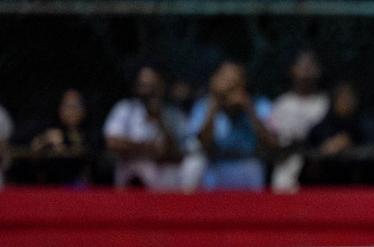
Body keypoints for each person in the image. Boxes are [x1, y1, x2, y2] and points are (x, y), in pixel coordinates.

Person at [185, 62, 277, 190]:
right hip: (217, 166)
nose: (229, 85)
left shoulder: (260, 104)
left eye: (234, 80)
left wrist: (249, 109)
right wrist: (214, 107)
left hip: (248, 165)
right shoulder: (204, 106)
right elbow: (202, 143)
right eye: (224, 79)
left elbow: (273, 144)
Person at [103, 65, 186, 189]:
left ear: (162, 86)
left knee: (174, 170)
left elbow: (178, 155)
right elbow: (112, 142)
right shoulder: (125, 108)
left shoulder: (173, 114)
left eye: (153, 86)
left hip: (161, 172)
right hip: (130, 168)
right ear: (137, 87)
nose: (148, 91)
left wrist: (160, 121)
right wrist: (149, 148)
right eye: (144, 85)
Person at [269, 50, 330, 191]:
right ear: (293, 70)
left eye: (311, 67)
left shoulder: (325, 104)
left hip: (316, 177)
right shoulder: (281, 104)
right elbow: (272, 137)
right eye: (303, 66)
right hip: (284, 175)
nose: (307, 72)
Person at [29, 88, 99, 186]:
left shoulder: (92, 134)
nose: (72, 111)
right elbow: (33, 151)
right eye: (68, 106)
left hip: (84, 188)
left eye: (76, 106)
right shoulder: (51, 131)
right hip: (54, 186)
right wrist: (47, 142)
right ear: (60, 110)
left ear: (84, 111)